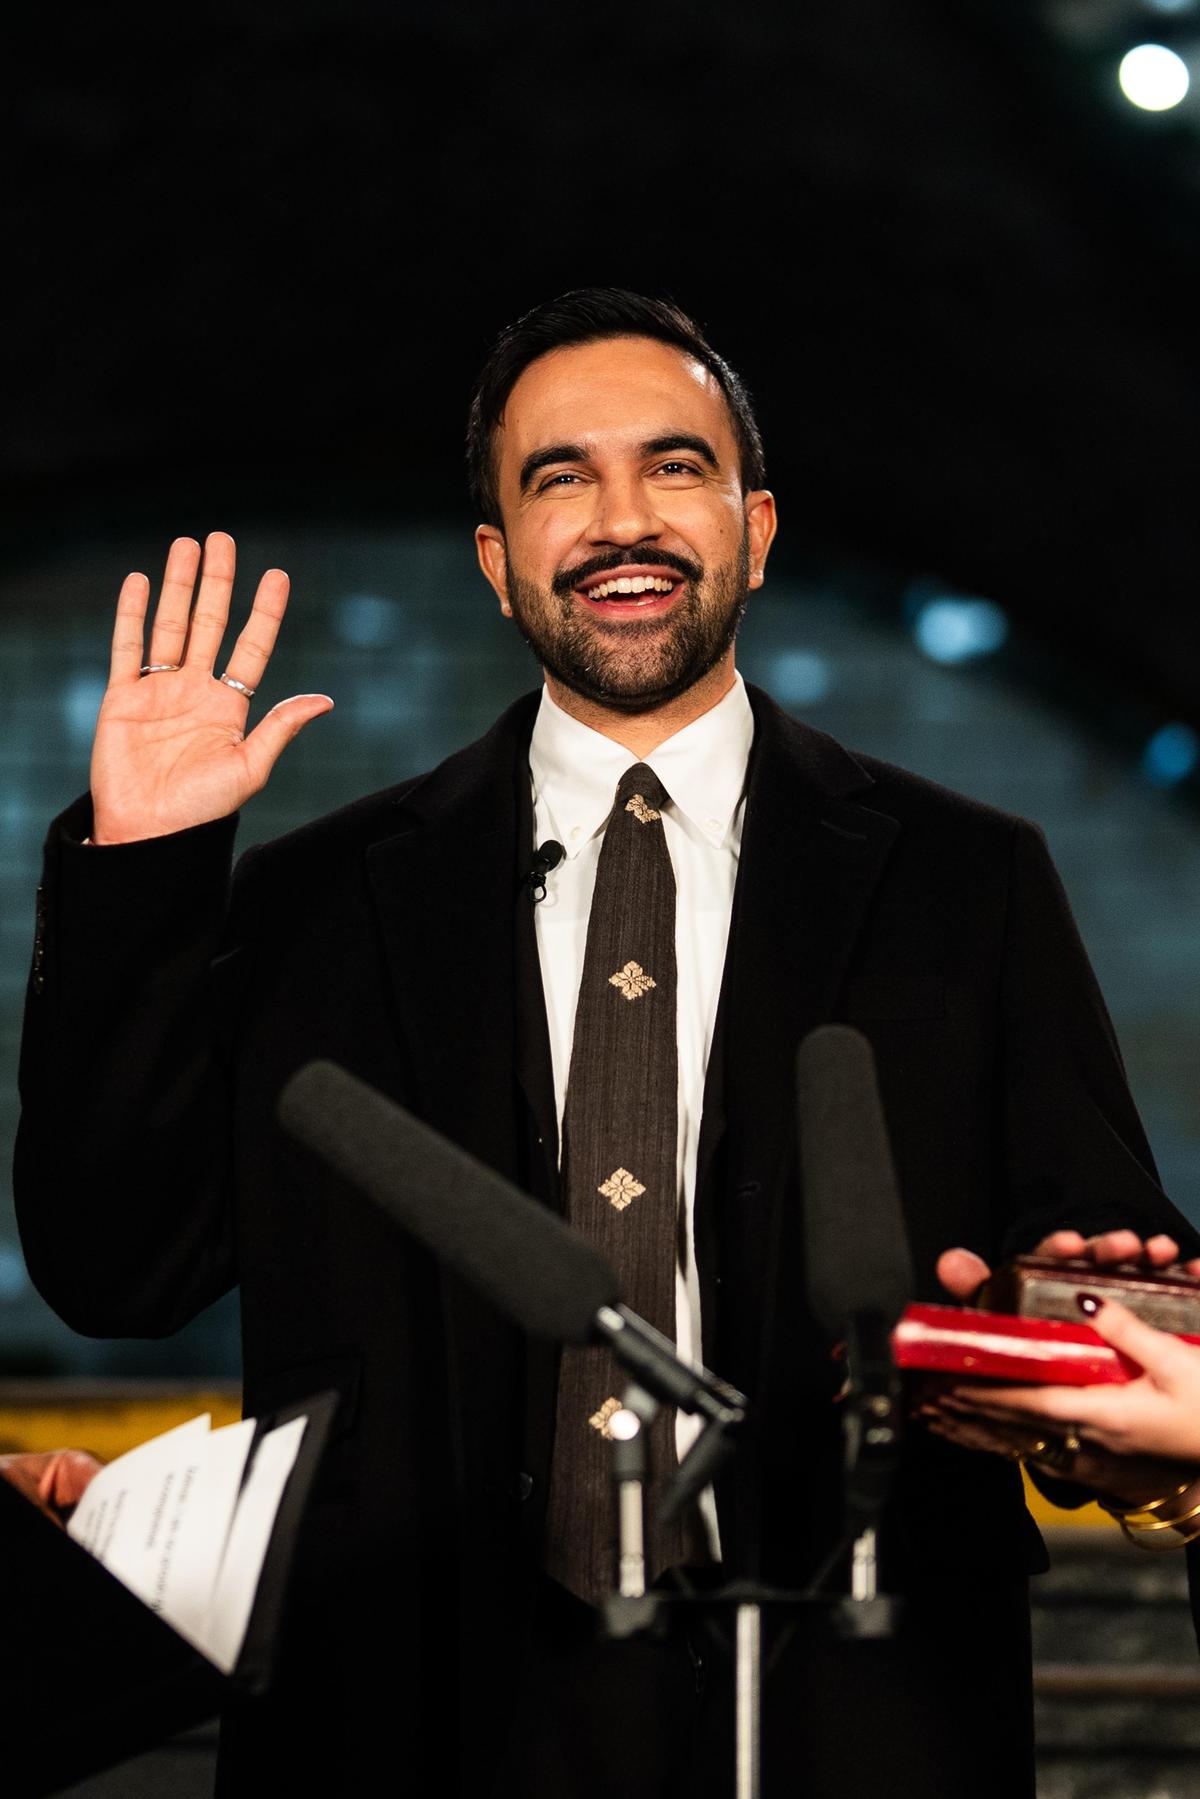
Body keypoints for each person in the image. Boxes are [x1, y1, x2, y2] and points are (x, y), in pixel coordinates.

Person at [14, 288, 1198, 1797]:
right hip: (407, 1720)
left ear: (758, 530)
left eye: (675, 466)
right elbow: (118, 1266)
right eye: (559, 477)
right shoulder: (319, 898)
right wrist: (142, 874)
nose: (621, 518)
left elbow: (1098, 1266)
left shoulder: (970, 878)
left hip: (859, 1708)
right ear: (499, 566)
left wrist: (1094, 1328)